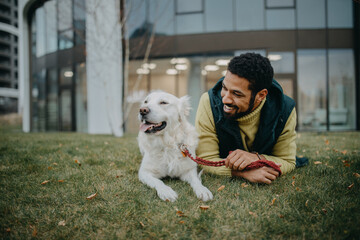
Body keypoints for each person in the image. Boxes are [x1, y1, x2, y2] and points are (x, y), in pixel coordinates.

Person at [195, 52, 297, 184]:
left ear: (261, 95)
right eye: (224, 88)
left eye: (236, 94)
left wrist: (256, 158)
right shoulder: (208, 102)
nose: (225, 99)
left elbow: (287, 161)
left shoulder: (285, 109)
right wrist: (241, 172)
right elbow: (205, 160)